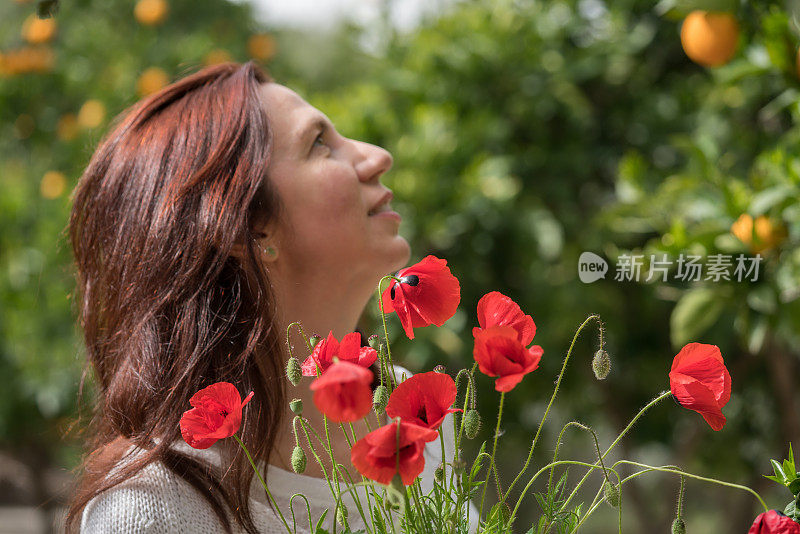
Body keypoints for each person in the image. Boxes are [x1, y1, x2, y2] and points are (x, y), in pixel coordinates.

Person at [65, 61, 479, 533]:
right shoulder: (154, 511)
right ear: (247, 228)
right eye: (319, 143)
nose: (376, 156)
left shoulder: (418, 412)